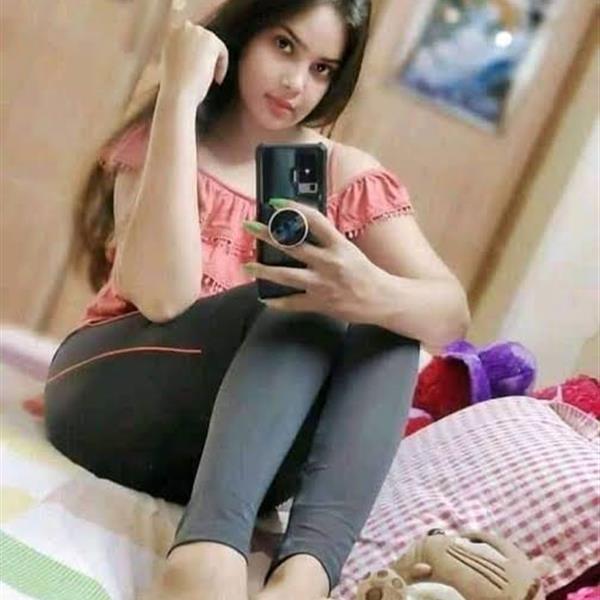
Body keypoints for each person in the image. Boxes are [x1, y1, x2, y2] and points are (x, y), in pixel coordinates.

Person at [43, 1, 470, 599]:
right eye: (284, 46)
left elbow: (450, 314)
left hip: (226, 452)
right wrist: (180, 98)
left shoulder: (343, 174)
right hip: (109, 399)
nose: (296, 83)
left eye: (322, 69)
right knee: (289, 300)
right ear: (244, 34)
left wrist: (363, 289)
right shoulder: (171, 137)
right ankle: (207, 558)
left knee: (387, 321)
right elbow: (163, 298)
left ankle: (305, 576)